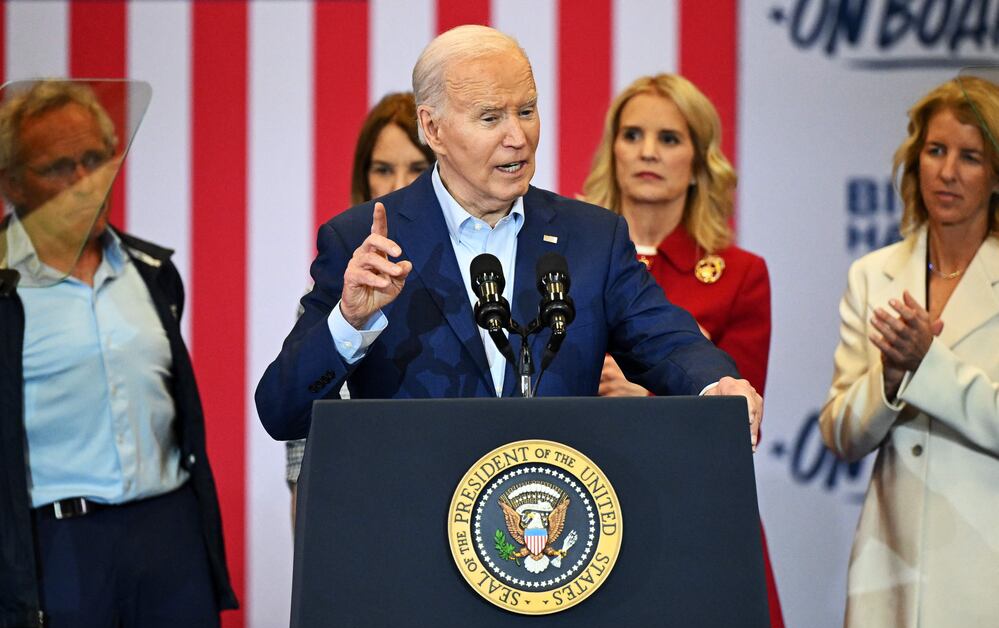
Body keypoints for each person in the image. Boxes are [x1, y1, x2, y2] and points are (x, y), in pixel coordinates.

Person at [255, 25, 763, 452]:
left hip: (553, 543)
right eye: (490, 118)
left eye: (526, 110)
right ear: (433, 130)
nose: (517, 137)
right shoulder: (360, 241)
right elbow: (282, 410)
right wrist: (350, 321)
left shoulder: (592, 238)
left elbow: (665, 338)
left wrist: (715, 383)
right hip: (414, 544)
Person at [0, 80, 237, 628]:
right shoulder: (5, 286)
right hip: (52, 544)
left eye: (95, 159)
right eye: (59, 166)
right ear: (13, 183)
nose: (85, 180)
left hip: (169, 531)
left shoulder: (151, 271)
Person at [581, 73, 792, 628]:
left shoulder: (741, 274)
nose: (648, 151)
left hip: (694, 523)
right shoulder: (559, 260)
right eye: (633, 135)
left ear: (700, 163)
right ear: (612, 150)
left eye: (669, 138)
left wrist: (644, 405)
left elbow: (737, 428)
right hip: (580, 510)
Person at [819, 76, 999, 628]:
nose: (947, 172)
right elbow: (840, 433)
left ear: (995, 175)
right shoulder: (874, 274)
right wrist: (892, 382)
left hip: (984, 577)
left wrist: (929, 363)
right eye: (936, 150)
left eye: (970, 157)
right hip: (888, 570)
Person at [286, 92, 434, 517]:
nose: (396, 185)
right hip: (360, 503)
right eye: (382, 169)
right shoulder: (338, 282)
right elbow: (302, 450)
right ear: (363, 176)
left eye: (416, 169)